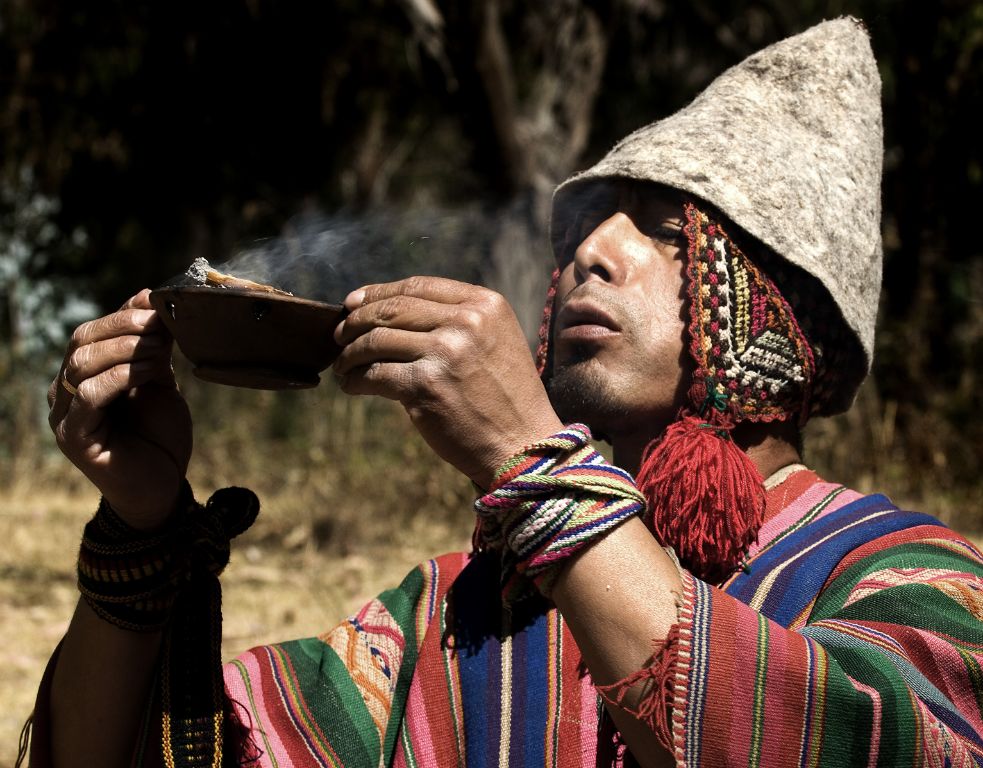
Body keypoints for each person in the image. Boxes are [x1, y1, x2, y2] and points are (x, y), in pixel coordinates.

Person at [22, 16, 983, 768]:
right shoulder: (457, 610)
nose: (589, 258)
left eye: (663, 231)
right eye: (578, 238)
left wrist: (531, 466)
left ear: (771, 315)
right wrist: (139, 533)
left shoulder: (912, 577)